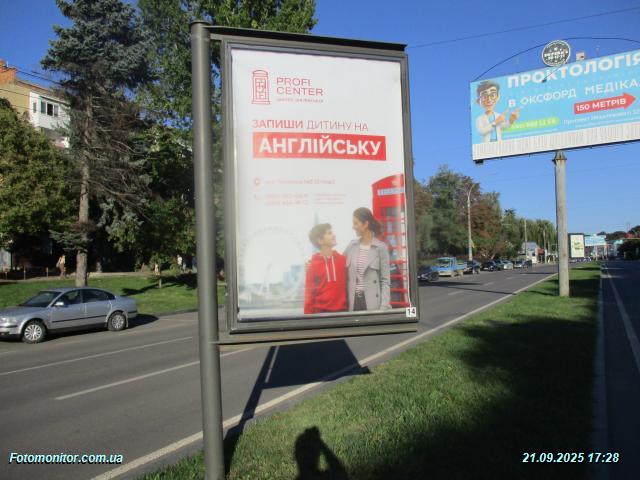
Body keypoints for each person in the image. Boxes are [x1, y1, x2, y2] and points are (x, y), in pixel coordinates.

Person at [344, 207, 391, 311]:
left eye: (355, 223)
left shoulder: (380, 248)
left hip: (372, 303)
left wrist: (384, 306)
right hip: (353, 302)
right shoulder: (351, 246)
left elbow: (385, 281)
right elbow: (338, 264)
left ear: (365, 224)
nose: (353, 227)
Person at [304, 223, 347, 314]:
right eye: (329, 233)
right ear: (320, 240)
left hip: (343, 313)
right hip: (320, 314)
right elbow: (309, 295)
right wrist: (307, 319)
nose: (334, 235)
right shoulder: (312, 265)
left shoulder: (343, 260)